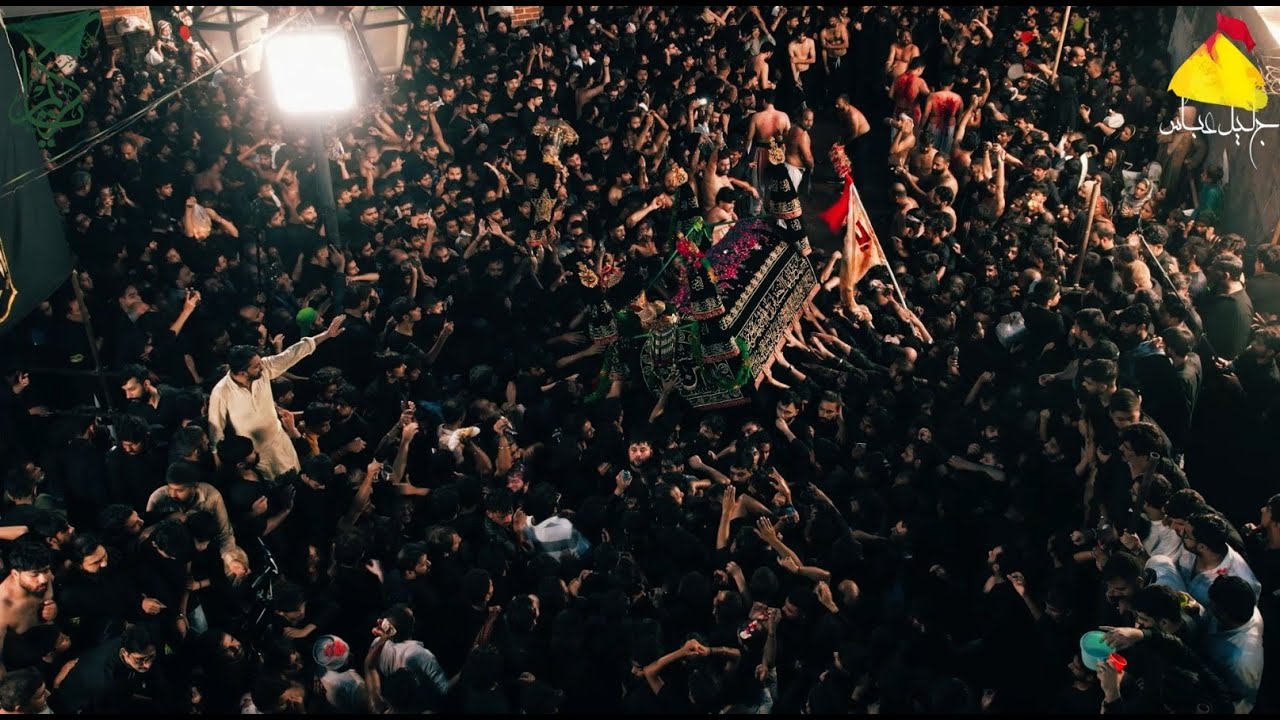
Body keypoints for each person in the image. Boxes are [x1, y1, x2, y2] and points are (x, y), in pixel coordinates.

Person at [207, 315, 346, 479]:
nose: (262, 366)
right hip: (257, 453)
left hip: (279, 438)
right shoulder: (221, 392)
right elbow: (215, 432)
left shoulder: (264, 368)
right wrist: (219, 465)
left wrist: (326, 335)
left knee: (296, 475)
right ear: (242, 372)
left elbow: (292, 353)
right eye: (256, 366)